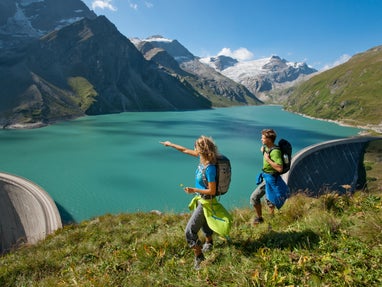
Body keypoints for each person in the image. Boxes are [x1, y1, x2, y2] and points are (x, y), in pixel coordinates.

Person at [160, 136, 230, 269]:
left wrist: (193, 190)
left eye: (196, 146)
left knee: (190, 231)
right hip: (201, 199)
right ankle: (209, 243)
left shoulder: (210, 168)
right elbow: (185, 150)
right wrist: (170, 144)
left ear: (202, 149)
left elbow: (212, 190)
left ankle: (199, 257)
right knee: (204, 222)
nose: (194, 148)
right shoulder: (202, 159)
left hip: (206, 201)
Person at [250, 129, 289, 225]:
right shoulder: (267, 148)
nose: (261, 139)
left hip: (271, 178)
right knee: (264, 199)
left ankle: (269, 222)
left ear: (269, 140)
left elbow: (279, 168)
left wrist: (267, 158)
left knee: (262, 199)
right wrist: (263, 152)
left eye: (263, 138)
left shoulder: (275, 152)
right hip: (267, 177)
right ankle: (263, 219)